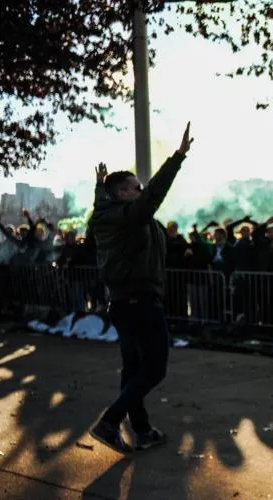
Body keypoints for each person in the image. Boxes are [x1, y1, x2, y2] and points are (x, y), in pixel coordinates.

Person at [87, 122, 193, 451]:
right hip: (140, 303)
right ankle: (109, 423)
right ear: (121, 194)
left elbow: (106, 203)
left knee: (133, 369)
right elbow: (152, 197)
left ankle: (142, 429)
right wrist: (177, 157)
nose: (141, 190)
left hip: (125, 303)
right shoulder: (126, 218)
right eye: (135, 187)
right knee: (155, 368)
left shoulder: (109, 213)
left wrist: (99, 186)